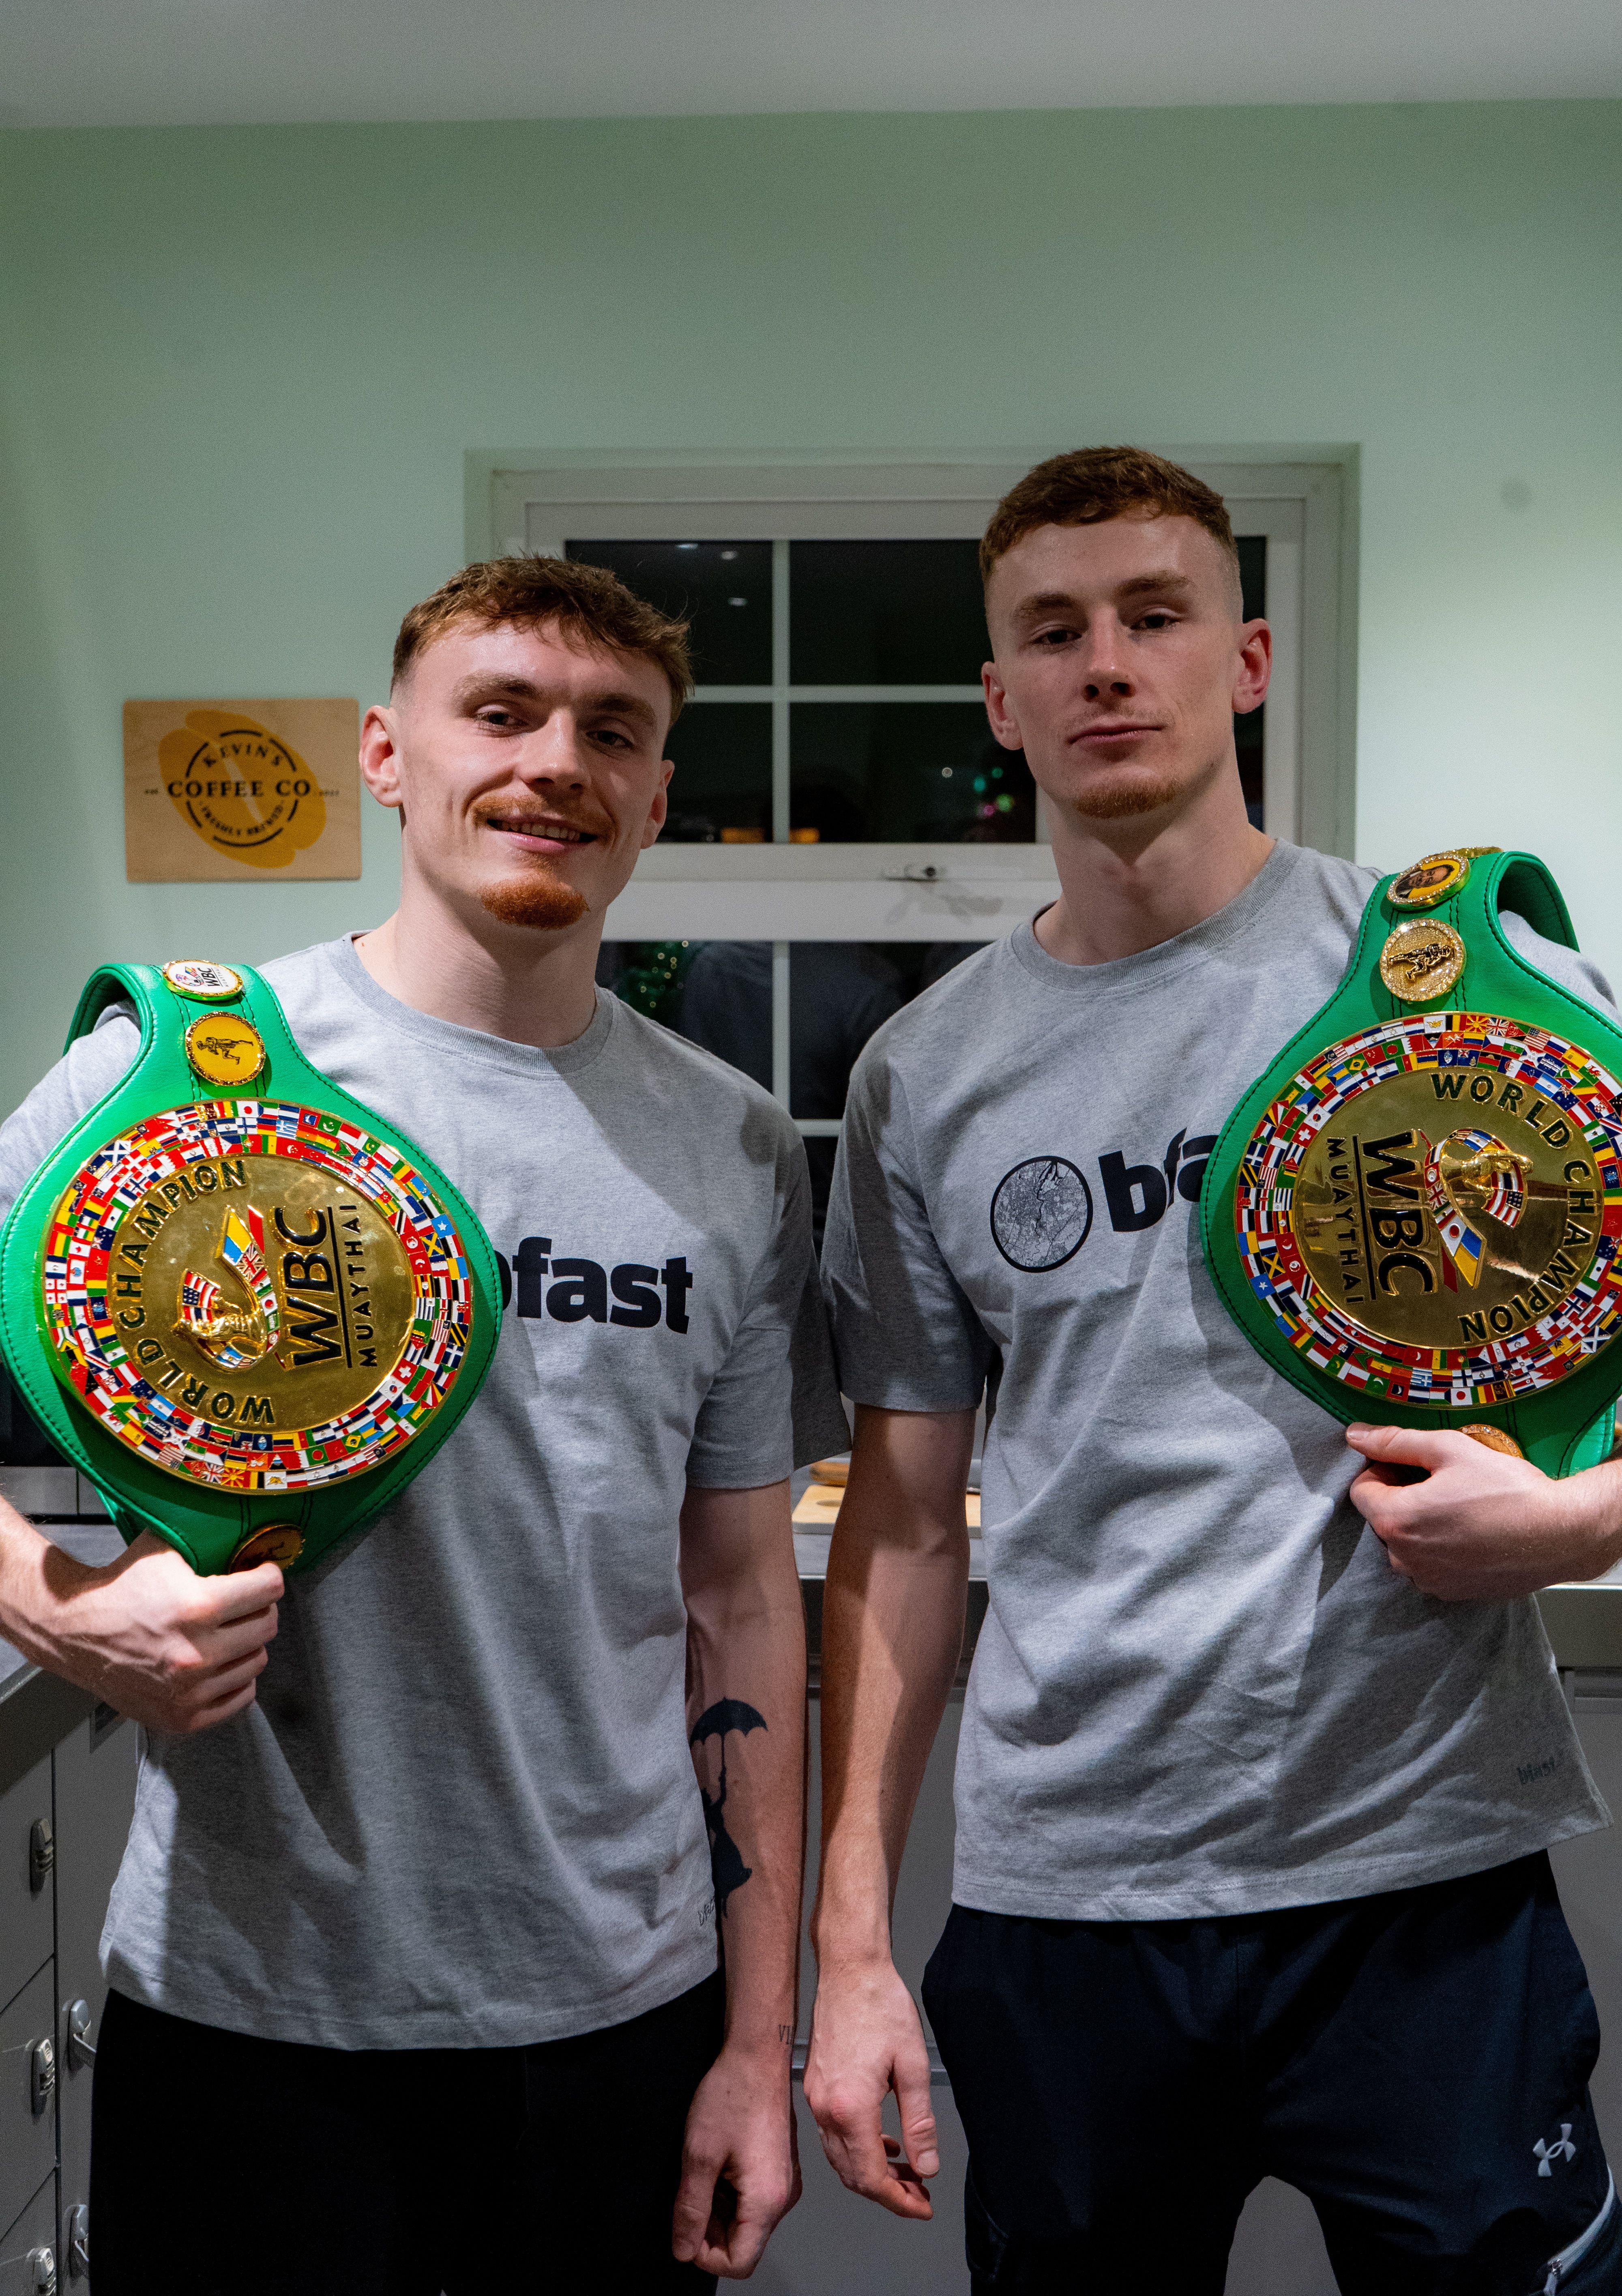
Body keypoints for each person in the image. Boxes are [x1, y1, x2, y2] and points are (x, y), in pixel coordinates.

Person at [804, 446, 1622, 2293]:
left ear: (1243, 659)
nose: (1106, 664)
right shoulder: (925, 1074)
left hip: (1420, 1882)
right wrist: (852, 1950)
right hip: (1067, 1903)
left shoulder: (1455, 983)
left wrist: (1577, 1519)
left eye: (1152, 617)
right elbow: (908, 1532)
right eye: (1053, 631)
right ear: (997, 700)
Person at [0, 554, 846, 2293]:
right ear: (389, 755)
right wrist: (63, 1613)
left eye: (613, 730)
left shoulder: (735, 1143)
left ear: (657, 795)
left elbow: (745, 1599)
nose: (557, 761)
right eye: (503, 711)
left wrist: (759, 2050)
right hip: (254, 2008)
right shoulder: (175, 1076)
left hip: (625, 2015)